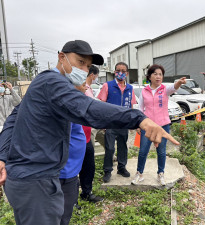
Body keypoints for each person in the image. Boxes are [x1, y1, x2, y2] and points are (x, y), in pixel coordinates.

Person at [0, 40, 179, 225]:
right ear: (62, 57)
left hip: (35, 177)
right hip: (36, 181)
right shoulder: (52, 82)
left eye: (87, 66)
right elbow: (88, 108)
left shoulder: (44, 82)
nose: (84, 70)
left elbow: (13, 118)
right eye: (80, 62)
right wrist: (139, 119)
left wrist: (2, 155)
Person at [131, 64, 186, 186]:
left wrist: (179, 82)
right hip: (148, 126)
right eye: (155, 74)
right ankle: (139, 173)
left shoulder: (164, 89)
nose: (158, 76)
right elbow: (140, 109)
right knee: (143, 151)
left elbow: (174, 87)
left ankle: (160, 173)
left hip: (163, 125)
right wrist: (139, 125)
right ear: (149, 76)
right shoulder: (144, 91)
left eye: (160, 74)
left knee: (161, 152)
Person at [97, 62, 137, 183]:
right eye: (118, 70)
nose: (120, 73)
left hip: (123, 123)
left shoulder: (130, 88)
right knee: (109, 148)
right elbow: (101, 105)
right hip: (110, 123)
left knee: (123, 147)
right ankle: (107, 171)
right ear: (114, 72)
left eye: (123, 71)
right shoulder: (107, 86)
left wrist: (131, 122)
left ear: (127, 73)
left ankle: (121, 168)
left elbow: (131, 106)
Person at [59, 82, 87, 225]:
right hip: (61, 173)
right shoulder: (64, 105)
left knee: (66, 213)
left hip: (70, 172)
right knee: (60, 215)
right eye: (84, 83)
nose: (87, 86)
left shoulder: (73, 103)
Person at [80, 65, 103, 202]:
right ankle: (70, 202)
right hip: (73, 139)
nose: (86, 86)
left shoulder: (87, 91)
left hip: (86, 136)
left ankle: (86, 193)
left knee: (89, 166)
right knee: (70, 171)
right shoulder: (71, 95)